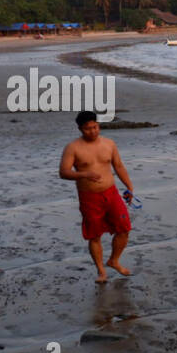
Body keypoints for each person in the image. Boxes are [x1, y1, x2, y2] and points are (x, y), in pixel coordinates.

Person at [59, 111, 134, 283]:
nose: (92, 131)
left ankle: (114, 260)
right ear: (80, 129)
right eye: (87, 129)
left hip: (111, 192)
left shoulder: (109, 144)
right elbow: (63, 172)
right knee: (94, 235)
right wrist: (83, 174)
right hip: (89, 197)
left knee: (124, 229)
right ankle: (101, 271)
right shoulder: (73, 148)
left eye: (95, 127)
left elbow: (119, 166)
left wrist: (130, 187)